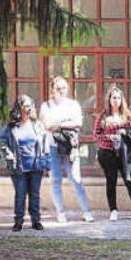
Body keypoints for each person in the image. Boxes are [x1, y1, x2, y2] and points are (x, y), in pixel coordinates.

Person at [39, 76, 94, 223]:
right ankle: (60, 212)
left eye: (64, 88)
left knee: (76, 179)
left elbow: (78, 122)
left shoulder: (73, 104)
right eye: (58, 88)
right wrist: (64, 123)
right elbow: (46, 125)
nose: (62, 91)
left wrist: (60, 125)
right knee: (55, 180)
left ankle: (86, 211)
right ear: (52, 90)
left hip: (70, 147)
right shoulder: (46, 106)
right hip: (53, 147)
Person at [94, 86, 131, 223]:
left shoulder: (128, 115)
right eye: (113, 98)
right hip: (107, 152)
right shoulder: (103, 116)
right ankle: (113, 210)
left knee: (130, 180)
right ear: (109, 99)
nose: (116, 101)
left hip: (125, 152)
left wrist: (126, 132)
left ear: (122, 99)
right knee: (111, 181)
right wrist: (109, 137)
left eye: (118, 98)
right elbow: (96, 135)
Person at [0, 95, 51, 232]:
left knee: (34, 194)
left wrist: (47, 163)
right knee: (20, 194)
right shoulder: (11, 127)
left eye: (30, 106)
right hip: (19, 167)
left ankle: (36, 221)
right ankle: (18, 221)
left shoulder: (37, 125)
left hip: (36, 165)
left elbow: (45, 144)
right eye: (25, 106)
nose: (28, 108)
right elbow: (1, 142)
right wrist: (8, 155)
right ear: (19, 108)